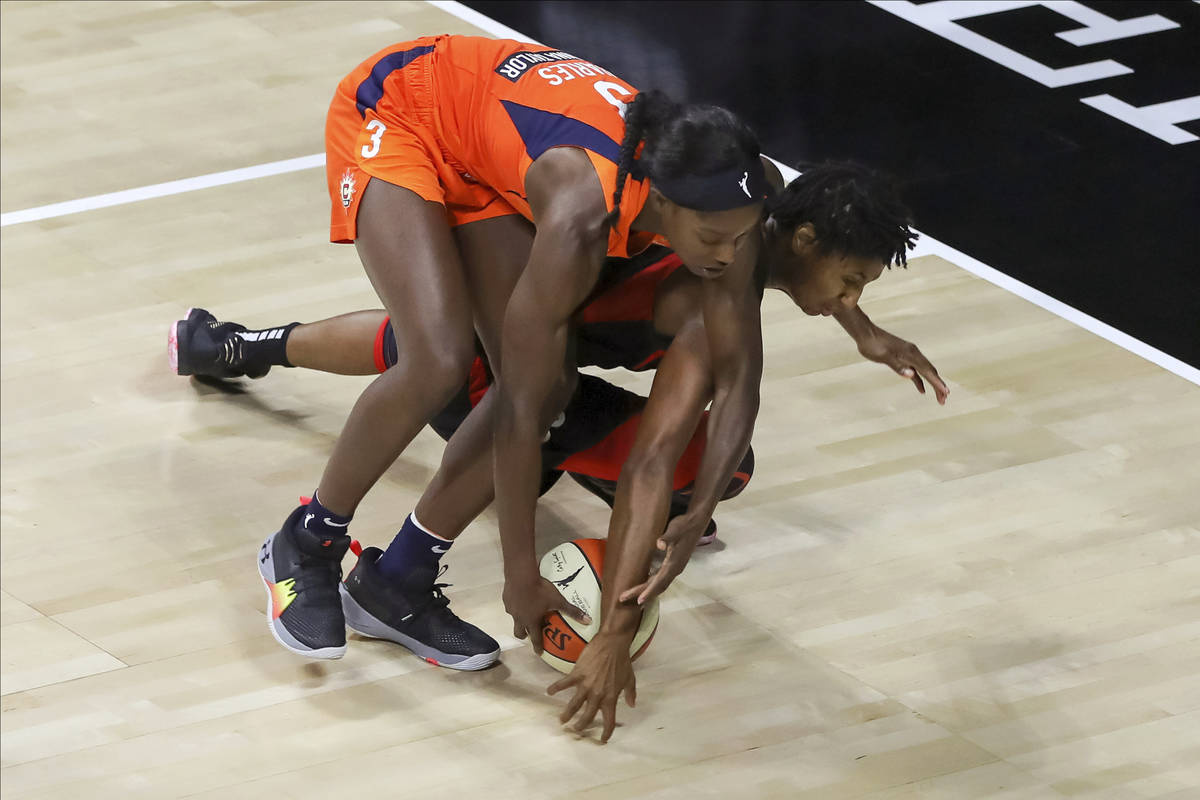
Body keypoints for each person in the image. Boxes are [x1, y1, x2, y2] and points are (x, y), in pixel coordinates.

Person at [174, 163, 946, 687]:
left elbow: (811, 285)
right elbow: (652, 455)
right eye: (851, 282)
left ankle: (236, 344)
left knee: (717, 467)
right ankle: (393, 575)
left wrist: (863, 330)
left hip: (555, 349)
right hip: (523, 357)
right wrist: (613, 627)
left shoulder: (754, 209)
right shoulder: (715, 272)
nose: (849, 296)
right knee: (461, 365)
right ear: (803, 241)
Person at [227, 33, 770, 660]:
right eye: (712, 238)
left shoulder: (736, 186)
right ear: (666, 204)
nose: (728, 254)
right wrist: (520, 576)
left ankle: (398, 580)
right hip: (403, 109)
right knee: (439, 358)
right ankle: (308, 539)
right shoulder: (580, 213)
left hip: (484, 154)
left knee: (551, 384)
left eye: (741, 238)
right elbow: (516, 409)